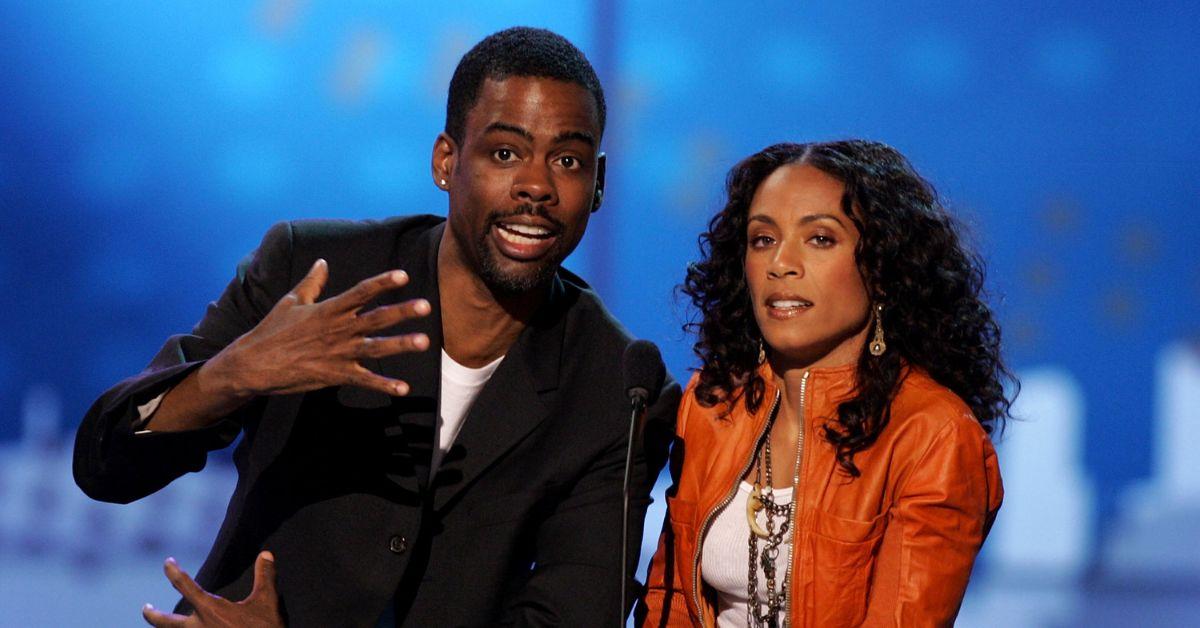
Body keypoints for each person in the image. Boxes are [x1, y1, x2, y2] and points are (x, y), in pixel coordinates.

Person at [73, 27, 679, 627]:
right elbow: (106, 468)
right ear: (447, 161)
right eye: (504, 153)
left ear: (597, 185)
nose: (537, 186)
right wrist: (225, 378)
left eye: (568, 161)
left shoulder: (617, 386)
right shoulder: (311, 271)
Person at [638, 140, 1011, 627]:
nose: (781, 264)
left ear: (880, 269)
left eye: (820, 239)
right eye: (763, 239)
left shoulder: (933, 436)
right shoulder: (712, 403)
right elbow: (670, 606)